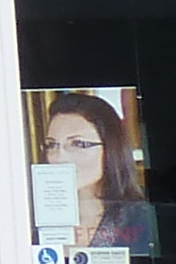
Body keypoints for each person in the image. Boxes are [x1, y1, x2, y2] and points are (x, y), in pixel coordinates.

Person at [37, 92, 155, 255]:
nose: (59, 157)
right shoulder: (33, 219)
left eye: (78, 143)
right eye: (52, 145)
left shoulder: (145, 219)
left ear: (110, 149)